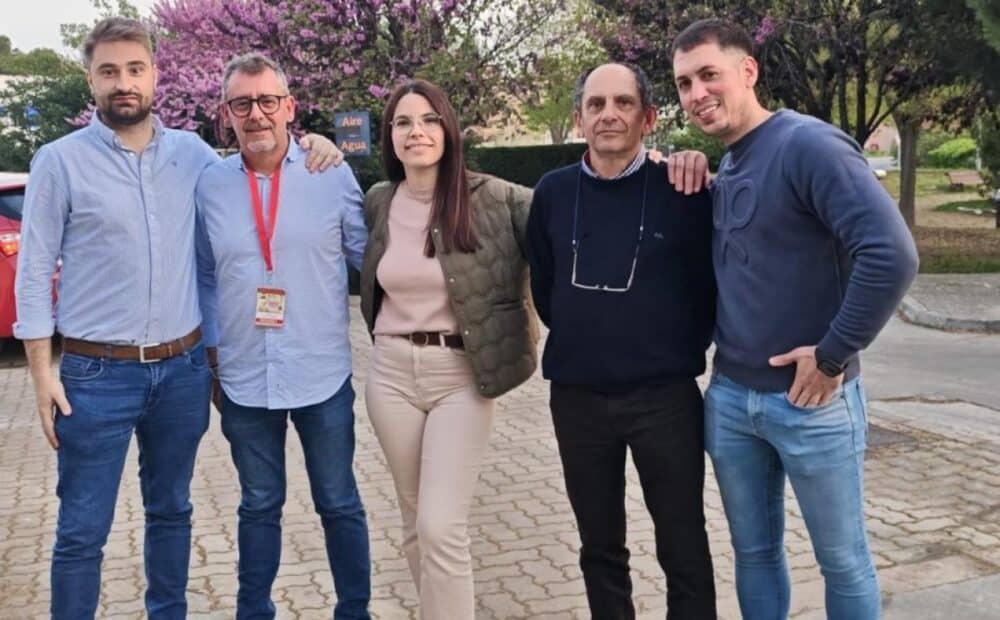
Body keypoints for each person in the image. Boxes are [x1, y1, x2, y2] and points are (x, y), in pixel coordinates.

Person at [14, 18, 338, 619]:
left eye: (135, 69)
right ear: (90, 79)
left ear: (154, 75)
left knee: (171, 512)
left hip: (182, 371)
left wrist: (316, 144)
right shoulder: (59, 162)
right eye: (109, 71)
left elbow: (259, 164)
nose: (124, 82)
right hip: (95, 377)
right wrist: (41, 375)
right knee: (82, 531)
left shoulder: (194, 156)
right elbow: (32, 272)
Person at [671, 19, 919, 619]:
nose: (697, 93)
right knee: (754, 554)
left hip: (813, 403)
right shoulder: (731, 163)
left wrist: (832, 355)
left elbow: (891, 254)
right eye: (683, 83)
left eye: (709, 74)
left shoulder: (808, 145)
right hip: (732, 401)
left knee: (843, 561)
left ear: (748, 71)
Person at [525, 63, 717, 619]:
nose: (608, 115)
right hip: (578, 399)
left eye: (623, 103)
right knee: (599, 546)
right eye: (596, 104)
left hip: (665, 399)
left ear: (648, 117)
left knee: (683, 542)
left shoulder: (683, 190)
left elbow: (705, 286)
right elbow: (545, 287)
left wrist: (666, 346)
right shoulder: (553, 193)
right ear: (579, 119)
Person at [195, 53, 370, 619]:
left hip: (322, 374)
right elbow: (203, 275)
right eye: (242, 103)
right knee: (258, 505)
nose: (257, 114)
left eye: (268, 100)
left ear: (290, 107)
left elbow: (369, 262)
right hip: (245, 378)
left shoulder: (330, 174)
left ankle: (354, 611)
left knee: (338, 502)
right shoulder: (209, 185)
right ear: (227, 114)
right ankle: (254, 612)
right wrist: (213, 355)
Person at [358, 78, 538, 619]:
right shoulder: (379, 200)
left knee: (441, 525)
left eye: (429, 120)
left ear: (448, 129)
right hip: (390, 375)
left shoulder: (495, 198)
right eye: (403, 122)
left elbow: (571, 211)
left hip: (460, 375)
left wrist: (653, 167)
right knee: (415, 523)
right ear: (390, 136)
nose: (416, 132)